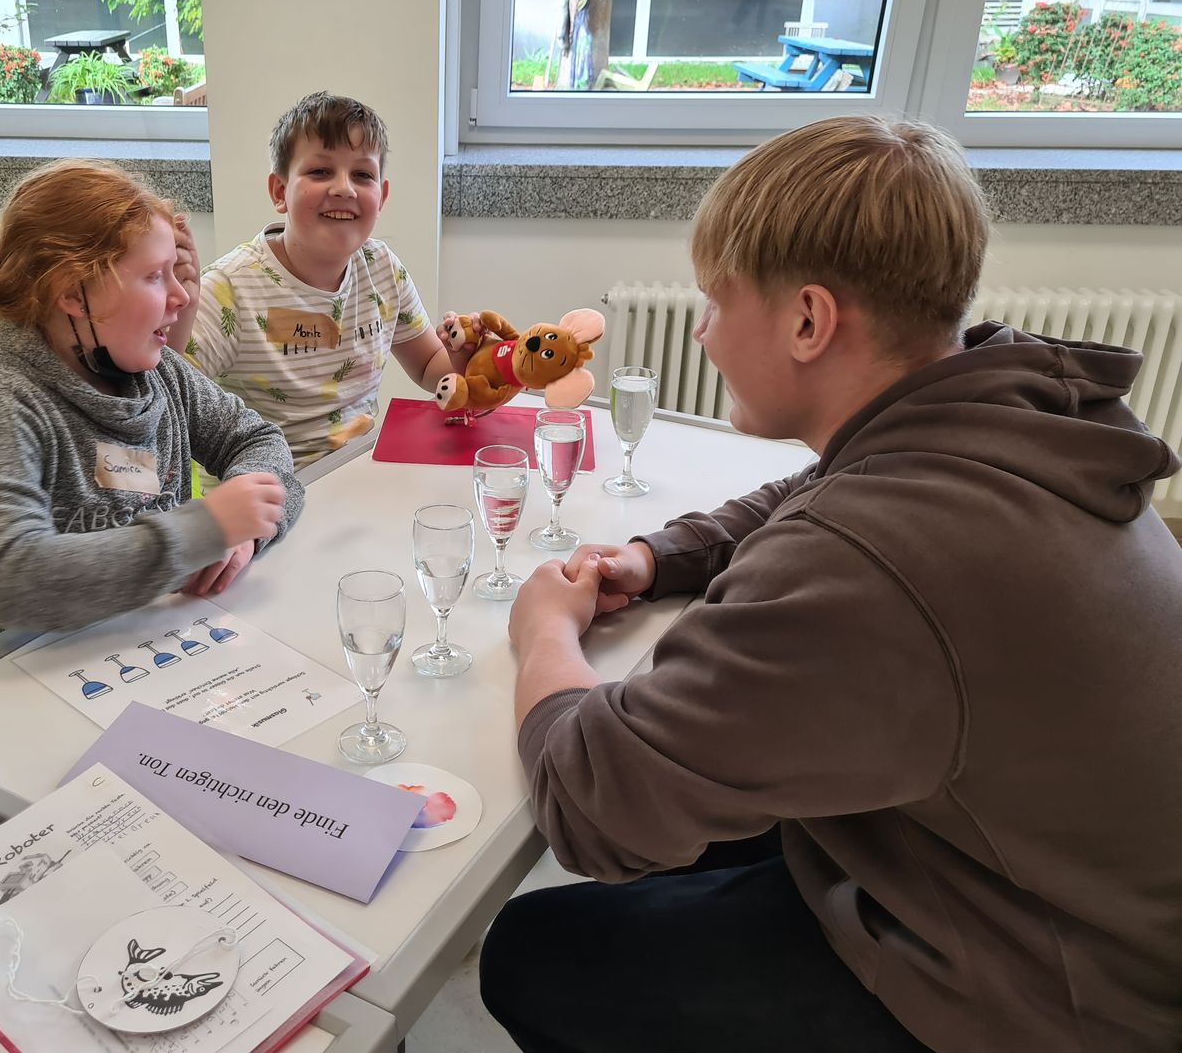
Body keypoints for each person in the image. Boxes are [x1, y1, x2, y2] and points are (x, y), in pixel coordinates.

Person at [481, 116, 1182, 1052]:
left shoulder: (868, 559)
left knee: (533, 947)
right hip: (1071, 895)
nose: (705, 334)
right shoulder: (1005, 410)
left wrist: (544, 636)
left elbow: (590, 802)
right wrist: (655, 560)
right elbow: (808, 494)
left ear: (809, 320)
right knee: (708, 833)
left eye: (715, 305)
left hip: (1039, 996)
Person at [0, 158, 303, 670]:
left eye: (177, 272)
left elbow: (257, 441)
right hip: (7, 674)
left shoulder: (162, 373)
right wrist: (201, 532)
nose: (182, 296)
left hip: (137, 645)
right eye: (153, 276)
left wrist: (243, 533)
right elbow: (10, 580)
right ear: (72, 294)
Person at [170, 92, 470, 467]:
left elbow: (429, 367)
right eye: (320, 171)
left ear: (382, 196)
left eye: (362, 174)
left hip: (361, 476)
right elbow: (167, 399)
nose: (344, 188)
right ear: (280, 192)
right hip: (265, 496)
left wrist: (462, 361)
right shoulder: (230, 289)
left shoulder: (382, 267)